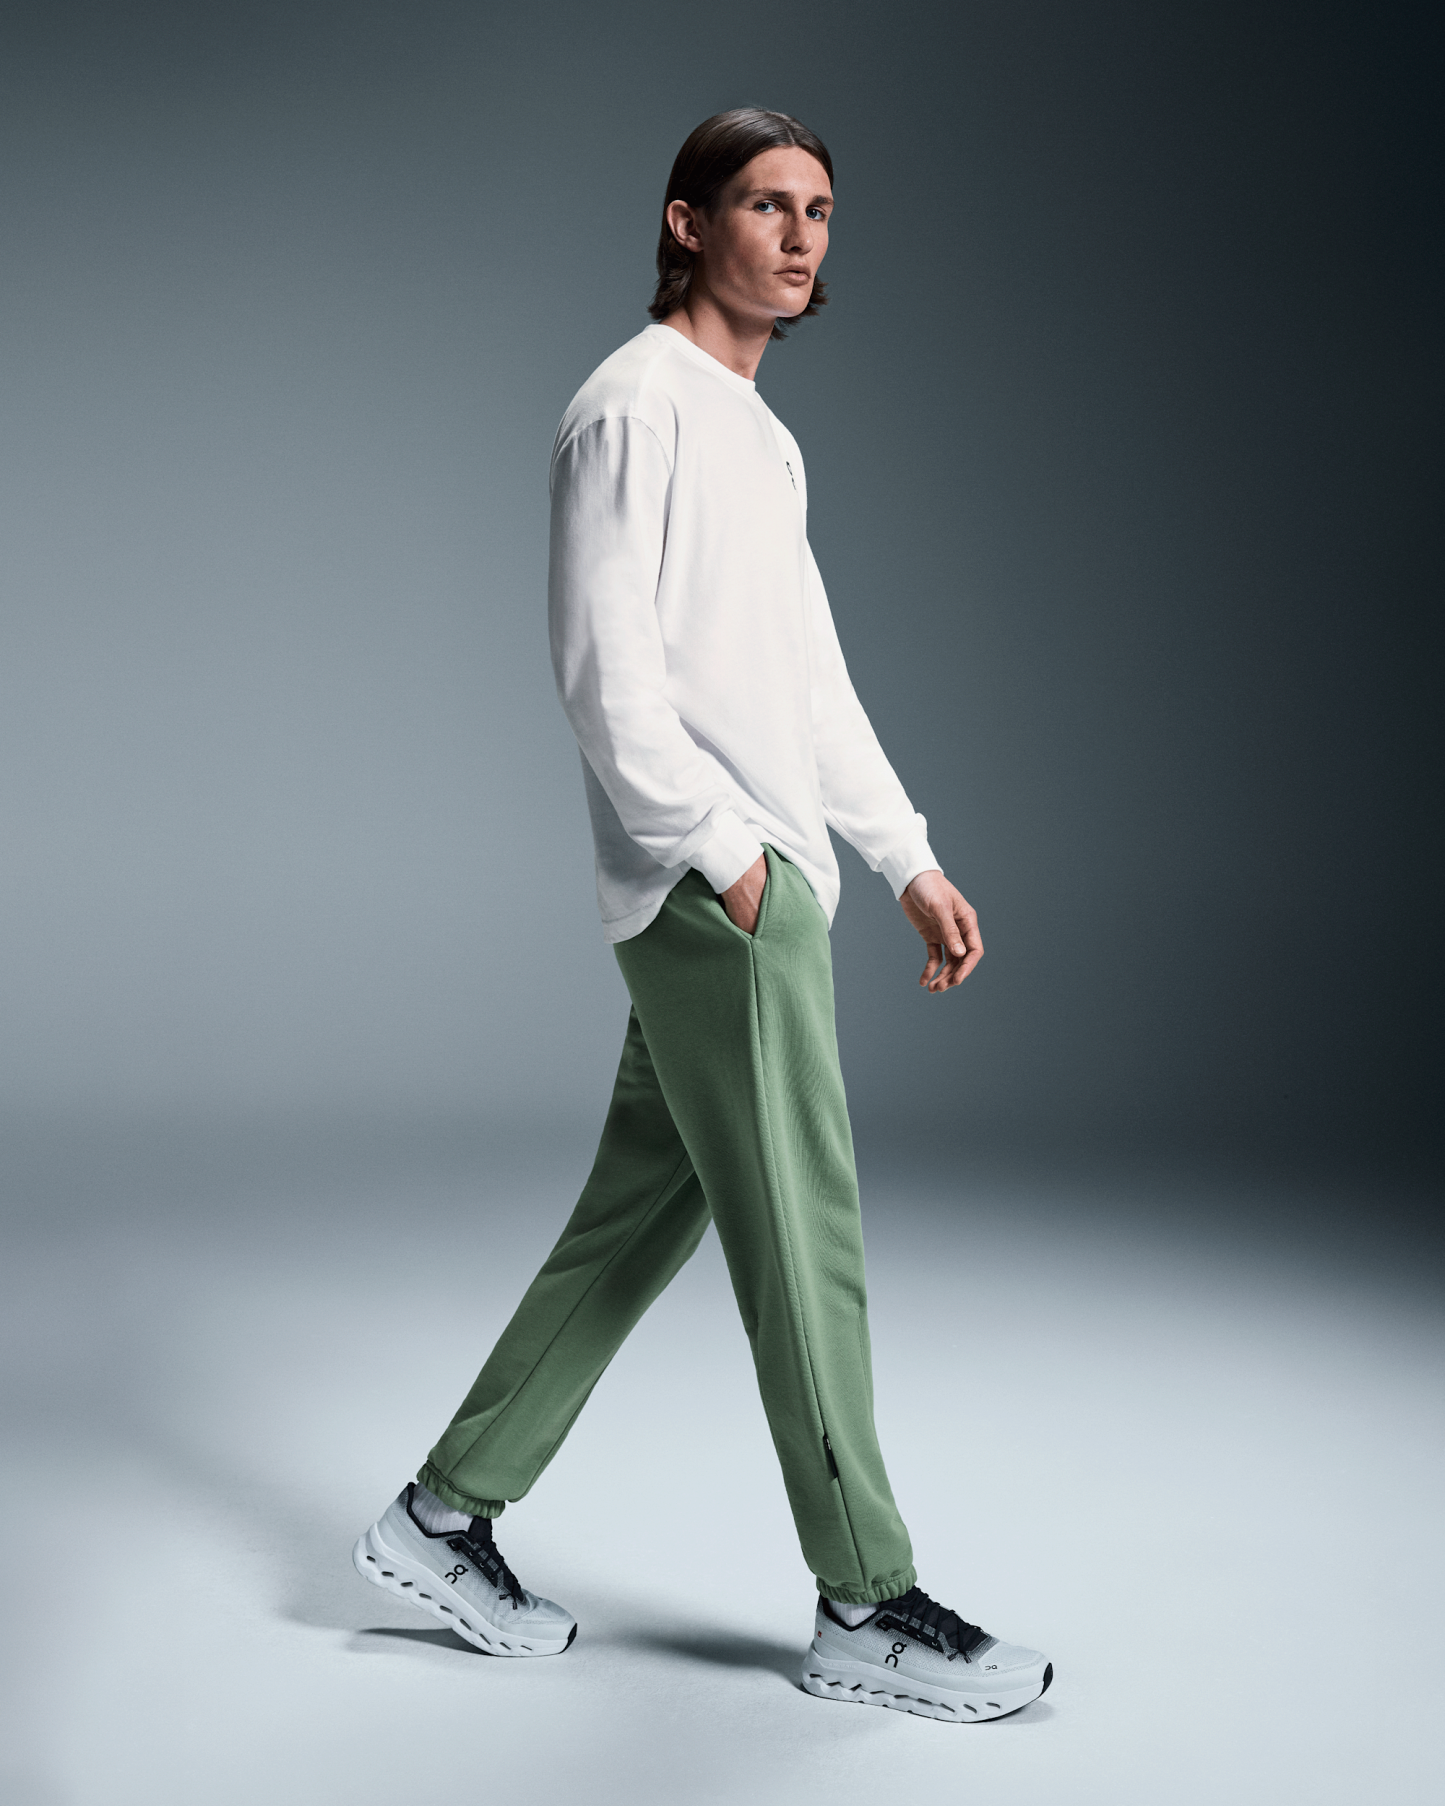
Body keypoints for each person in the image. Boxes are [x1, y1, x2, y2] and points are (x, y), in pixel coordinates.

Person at [353, 107, 1052, 1723]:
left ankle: (441, 1516)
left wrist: (906, 857)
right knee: (807, 1235)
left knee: (633, 1225)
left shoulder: (763, 438)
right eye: (766, 205)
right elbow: (605, 676)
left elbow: (811, 686)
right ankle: (866, 1596)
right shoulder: (631, 407)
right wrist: (727, 862)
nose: (801, 238)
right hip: (718, 895)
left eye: (821, 212)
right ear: (687, 222)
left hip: (763, 886)